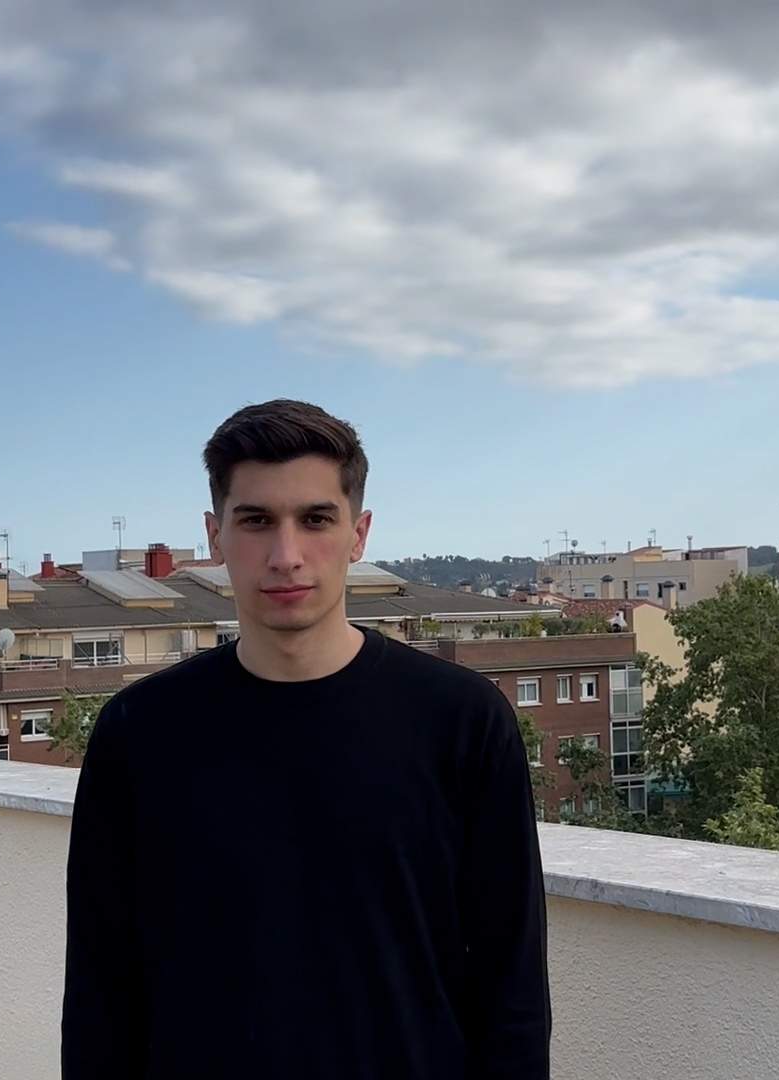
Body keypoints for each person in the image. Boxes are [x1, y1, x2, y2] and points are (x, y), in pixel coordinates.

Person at [62, 399, 552, 1079]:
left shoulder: (462, 721)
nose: (286, 556)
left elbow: (512, 983)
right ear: (215, 535)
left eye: (316, 519)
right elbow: (101, 988)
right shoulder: (138, 733)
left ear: (359, 533)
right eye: (257, 521)